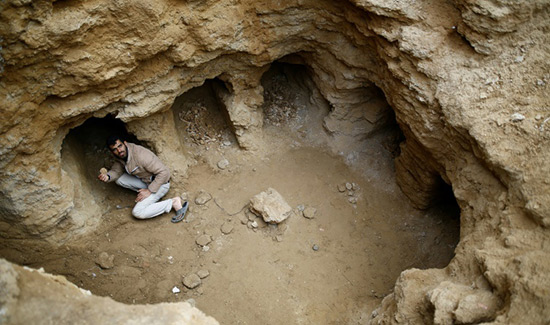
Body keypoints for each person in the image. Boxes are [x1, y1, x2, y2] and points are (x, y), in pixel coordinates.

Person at [97, 135, 188, 223]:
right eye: (115, 149)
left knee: (137, 212)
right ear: (112, 152)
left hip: (161, 184)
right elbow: (117, 170)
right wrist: (108, 176)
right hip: (146, 181)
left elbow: (165, 173)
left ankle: (173, 202)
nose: (119, 150)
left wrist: (149, 190)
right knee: (119, 179)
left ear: (125, 143)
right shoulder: (122, 156)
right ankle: (149, 197)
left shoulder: (140, 155)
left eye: (120, 146)